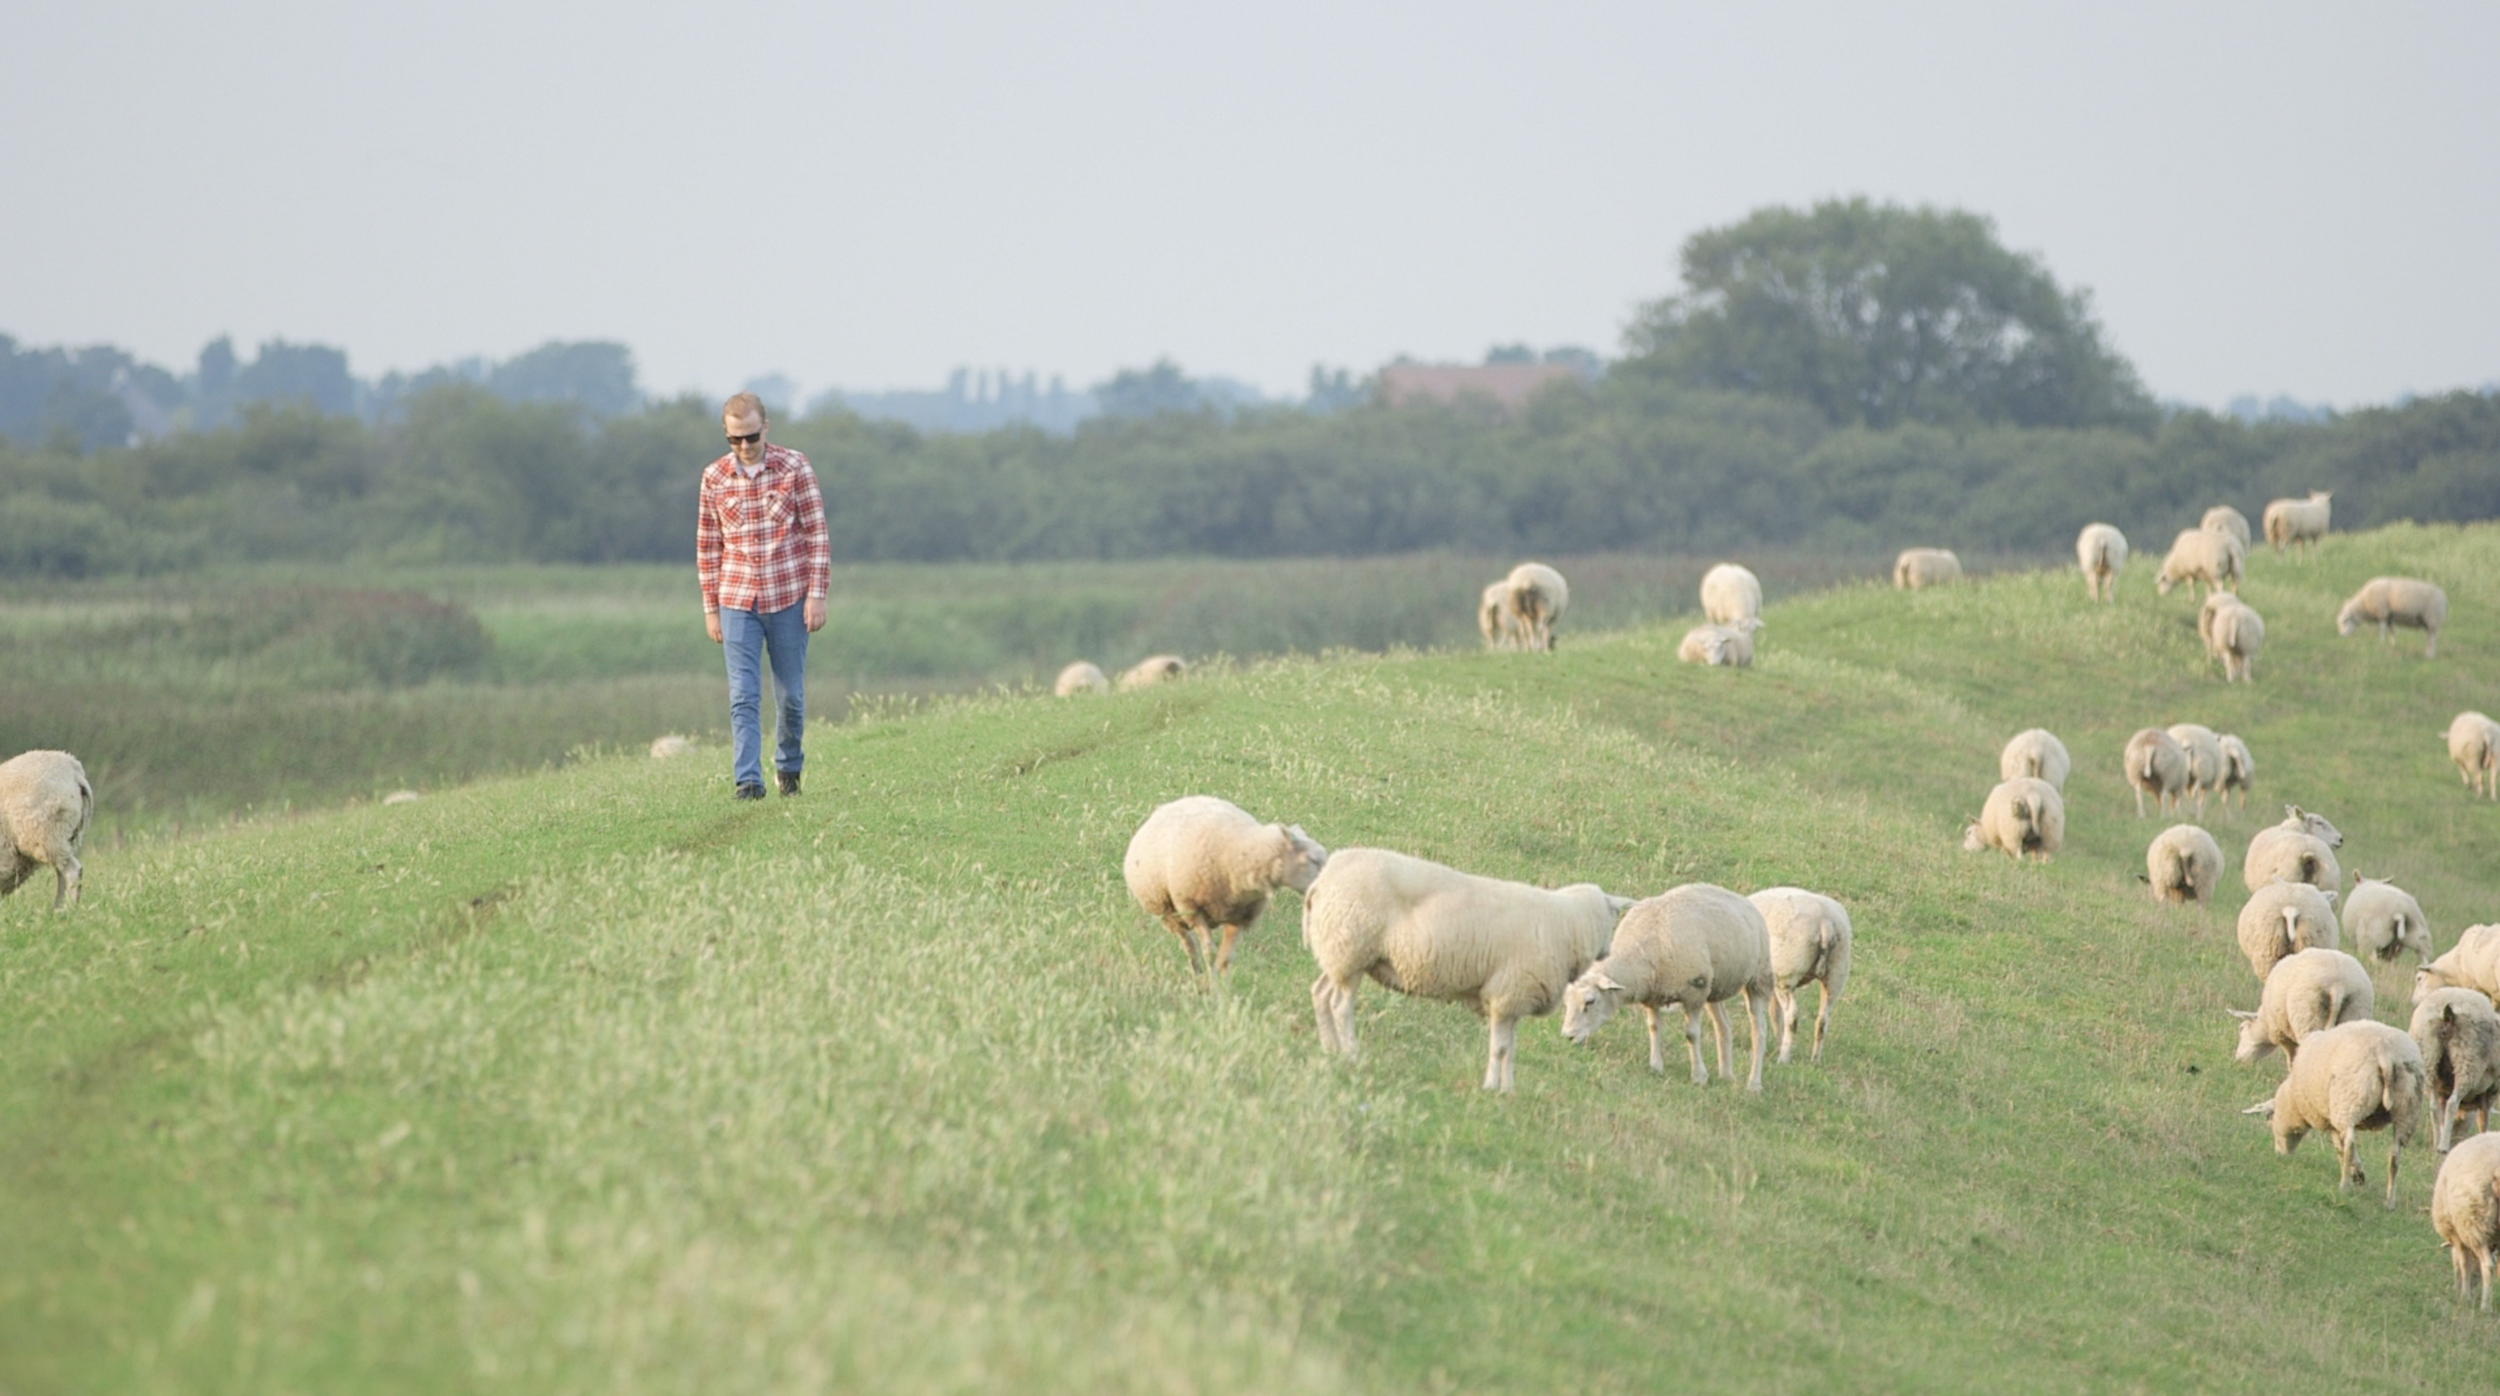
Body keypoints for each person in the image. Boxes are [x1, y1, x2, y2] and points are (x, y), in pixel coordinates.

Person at [697, 392, 829, 800]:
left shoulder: (794, 466)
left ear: (765, 429)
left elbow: (816, 533)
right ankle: (748, 781)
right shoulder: (714, 477)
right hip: (737, 598)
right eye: (734, 439)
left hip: (788, 594)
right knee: (743, 694)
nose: (743, 447)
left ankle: (788, 768)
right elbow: (708, 546)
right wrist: (710, 610)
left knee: (790, 695)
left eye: (750, 437)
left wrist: (817, 594)